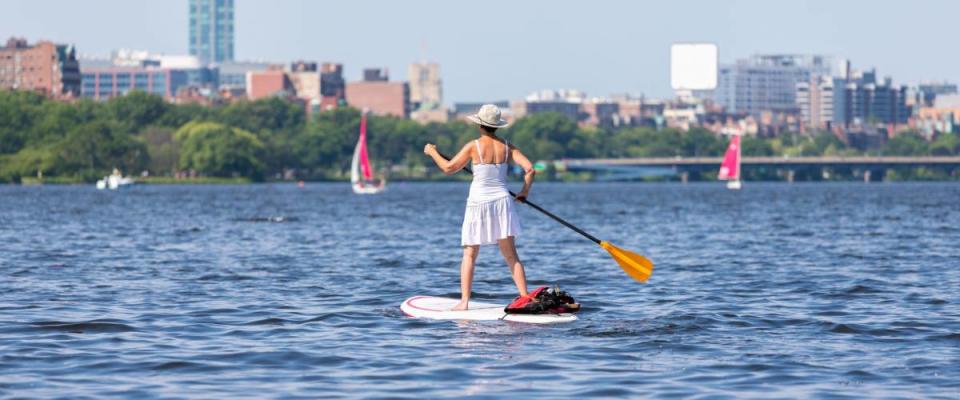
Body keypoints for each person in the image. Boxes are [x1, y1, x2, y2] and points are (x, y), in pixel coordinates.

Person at [423, 104, 536, 310]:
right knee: (511, 255)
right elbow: (530, 169)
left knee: (470, 254)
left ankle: (464, 302)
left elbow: (448, 168)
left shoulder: (473, 146)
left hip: (478, 202)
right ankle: (524, 296)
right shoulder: (508, 147)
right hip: (503, 201)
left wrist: (432, 152)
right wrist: (524, 192)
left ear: (480, 125)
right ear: (496, 127)